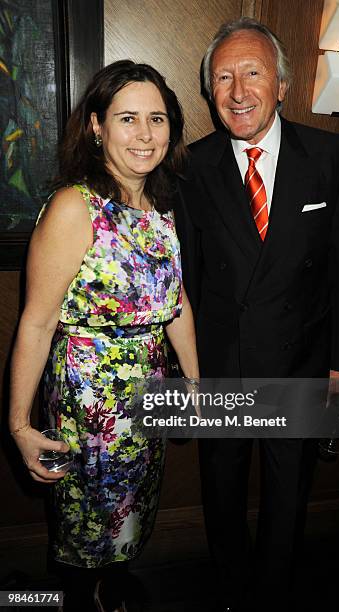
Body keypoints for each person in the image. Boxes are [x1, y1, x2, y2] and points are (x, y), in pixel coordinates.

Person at [175, 18, 339, 612]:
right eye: (223, 77)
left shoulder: (331, 154)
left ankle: (273, 592)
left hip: (300, 362)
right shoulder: (189, 166)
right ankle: (231, 589)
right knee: (223, 489)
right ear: (208, 91)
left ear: (281, 83)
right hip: (223, 366)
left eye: (252, 73)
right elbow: (185, 282)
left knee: (290, 494)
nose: (238, 91)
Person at [9, 59, 199, 612]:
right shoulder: (75, 207)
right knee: (83, 533)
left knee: (130, 519)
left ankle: (106, 590)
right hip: (89, 406)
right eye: (128, 118)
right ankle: (70, 598)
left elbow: (176, 302)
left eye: (158, 119)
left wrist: (192, 379)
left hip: (147, 399)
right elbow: (37, 322)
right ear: (96, 126)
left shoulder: (159, 207)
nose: (145, 134)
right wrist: (19, 424)